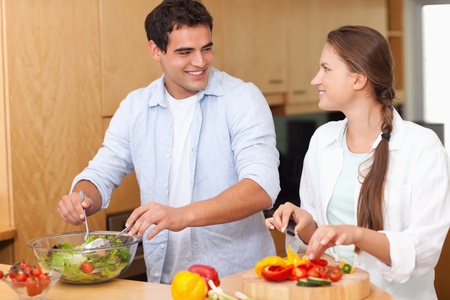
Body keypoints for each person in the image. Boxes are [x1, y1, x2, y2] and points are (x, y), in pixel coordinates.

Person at [58, 0, 280, 284]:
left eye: (206, 48)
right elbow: (101, 173)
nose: (200, 62)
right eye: (185, 52)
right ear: (156, 50)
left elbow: (261, 188)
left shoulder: (242, 99)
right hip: (165, 281)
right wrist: (80, 198)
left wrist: (181, 215)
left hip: (235, 279)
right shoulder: (135, 106)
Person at [266, 25, 450, 299]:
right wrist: (306, 226)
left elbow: (422, 251)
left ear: (358, 79)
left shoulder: (422, 146)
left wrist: (358, 235)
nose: (316, 80)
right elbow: (322, 244)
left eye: (326, 69)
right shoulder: (322, 141)